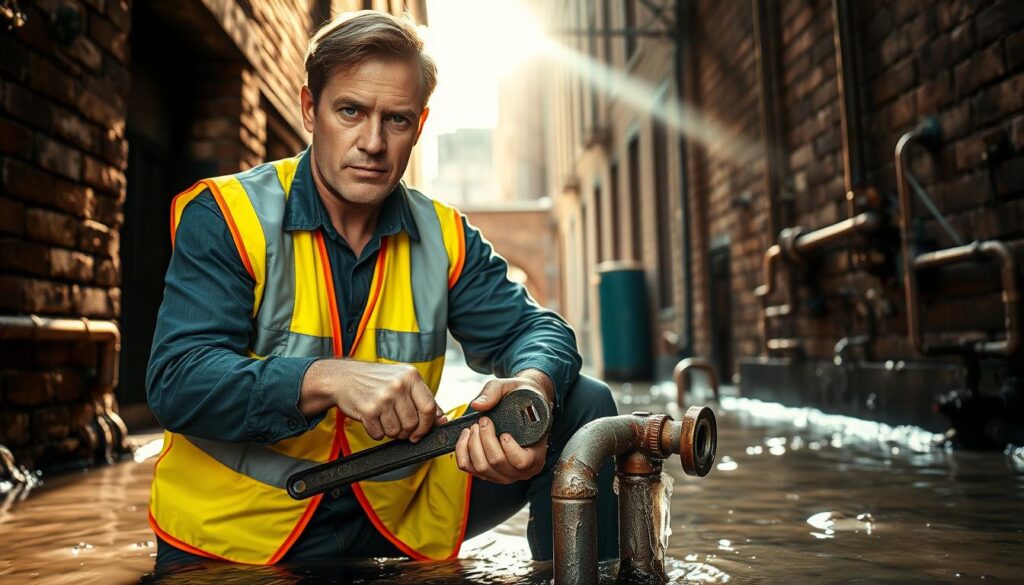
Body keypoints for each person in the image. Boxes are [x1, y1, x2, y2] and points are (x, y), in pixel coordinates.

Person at [146, 10, 617, 571]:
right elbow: (177, 381)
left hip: (395, 512)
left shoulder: (443, 235)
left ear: (419, 126)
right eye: (350, 111)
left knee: (584, 404)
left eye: (396, 120)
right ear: (309, 108)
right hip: (239, 531)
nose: (372, 142)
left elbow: (537, 330)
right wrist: (327, 378)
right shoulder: (227, 214)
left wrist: (529, 391)